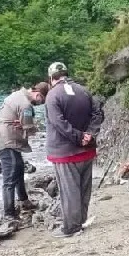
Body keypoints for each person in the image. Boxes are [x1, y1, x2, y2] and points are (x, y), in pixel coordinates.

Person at [45, 61, 104, 238]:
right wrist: (89, 134)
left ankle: (71, 227)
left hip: (65, 151)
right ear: (66, 74)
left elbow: (59, 123)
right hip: (87, 150)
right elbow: (98, 113)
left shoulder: (52, 95)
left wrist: (78, 137)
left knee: (69, 190)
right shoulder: (83, 90)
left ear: (51, 78)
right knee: (84, 188)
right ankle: (81, 220)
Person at [0, 82, 50, 220]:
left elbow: (23, 124)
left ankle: (24, 201)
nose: (40, 104)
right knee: (10, 178)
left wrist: (24, 125)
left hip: (4, 138)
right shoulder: (26, 105)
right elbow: (29, 129)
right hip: (7, 141)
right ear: (38, 94)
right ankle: (9, 213)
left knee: (18, 170)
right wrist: (33, 126)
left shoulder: (17, 94)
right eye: (42, 100)